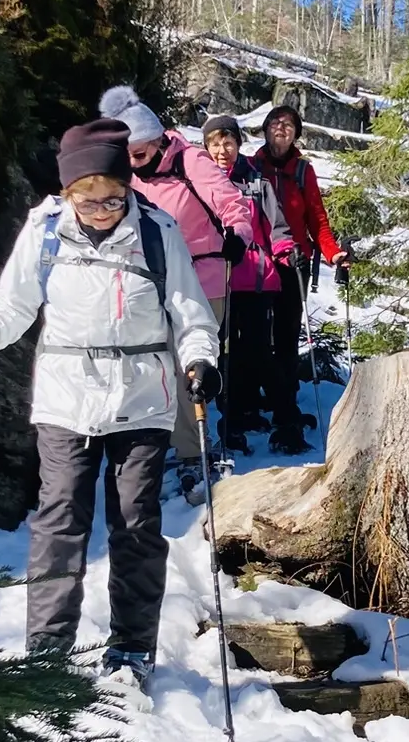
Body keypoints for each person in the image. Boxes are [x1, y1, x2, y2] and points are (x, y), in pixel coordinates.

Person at [0, 117, 220, 697]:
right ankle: (46, 654)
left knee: (136, 527)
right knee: (59, 521)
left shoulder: (156, 231)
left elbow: (191, 314)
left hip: (142, 400)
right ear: (68, 193)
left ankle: (131, 649)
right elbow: (12, 308)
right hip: (66, 399)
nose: (101, 211)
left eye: (113, 199)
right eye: (87, 202)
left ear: (128, 187)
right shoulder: (44, 231)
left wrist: (200, 361)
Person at [97, 86, 255, 485]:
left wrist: (238, 233)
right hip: (153, 282)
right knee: (156, 364)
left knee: (191, 364)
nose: (134, 164)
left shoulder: (190, 161)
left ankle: (192, 451)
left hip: (203, 279)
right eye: (127, 156)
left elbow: (231, 201)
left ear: (157, 140)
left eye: (139, 154)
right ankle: (166, 441)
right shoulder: (132, 176)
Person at [252, 105, 352, 455]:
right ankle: (258, 404)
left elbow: (317, 221)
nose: (282, 129)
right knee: (254, 339)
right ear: (265, 129)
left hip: (295, 264)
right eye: (276, 123)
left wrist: (333, 253)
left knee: (285, 338)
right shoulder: (252, 166)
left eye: (290, 125)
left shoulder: (303, 171)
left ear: (296, 134)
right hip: (256, 263)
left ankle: (285, 407)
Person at [201, 113, 293, 452]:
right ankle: (233, 419)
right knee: (225, 355)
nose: (222, 149)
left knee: (259, 353)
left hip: (255, 280)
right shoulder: (199, 184)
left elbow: (278, 227)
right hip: (216, 281)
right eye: (214, 143)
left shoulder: (257, 184)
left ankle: (286, 417)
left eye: (228, 142)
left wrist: (285, 250)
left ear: (239, 144)